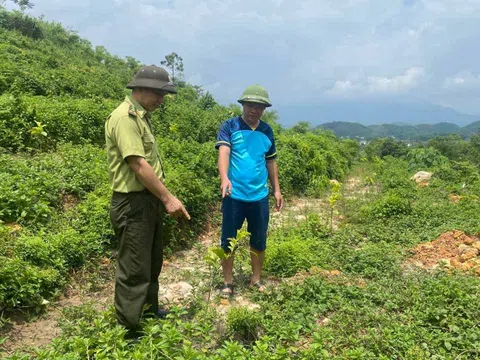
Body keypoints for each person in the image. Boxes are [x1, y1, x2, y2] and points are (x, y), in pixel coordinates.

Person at [105, 65, 190, 335]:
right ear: (139, 88)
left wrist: (160, 199)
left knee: (152, 261)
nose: (161, 100)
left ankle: (148, 311)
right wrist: (168, 198)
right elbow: (138, 165)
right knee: (134, 268)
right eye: (158, 93)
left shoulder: (141, 116)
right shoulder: (125, 118)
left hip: (147, 201)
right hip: (133, 204)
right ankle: (129, 329)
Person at [215, 84, 283, 298]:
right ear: (243, 105)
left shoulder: (266, 130)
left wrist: (277, 190)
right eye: (251, 105)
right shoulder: (230, 126)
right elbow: (224, 153)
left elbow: (271, 161)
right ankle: (227, 282)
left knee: (259, 239)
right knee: (228, 239)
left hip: (259, 196)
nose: (254, 110)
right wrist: (225, 178)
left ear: (264, 109)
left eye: (259, 107)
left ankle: (256, 279)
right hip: (234, 195)